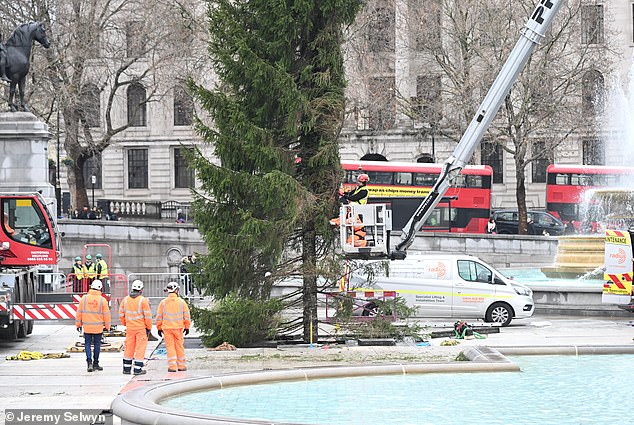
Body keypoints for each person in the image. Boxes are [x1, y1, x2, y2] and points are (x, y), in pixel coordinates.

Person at [75, 280, 111, 372]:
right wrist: (107, 327)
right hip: (98, 328)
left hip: (87, 327)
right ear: (100, 288)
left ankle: (89, 363)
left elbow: (79, 313)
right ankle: (96, 364)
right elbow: (106, 315)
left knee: (87, 344)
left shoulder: (84, 298)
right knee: (97, 345)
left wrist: (78, 324)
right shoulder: (102, 300)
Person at [119, 279, 152, 375]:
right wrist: (148, 327)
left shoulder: (125, 300)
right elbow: (148, 316)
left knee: (129, 348)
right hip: (140, 329)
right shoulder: (143, 301)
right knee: (140, 348)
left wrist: (125, 323)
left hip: (130, 328)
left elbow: (121, 314)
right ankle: (137, 369)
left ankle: (126, 369)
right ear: (141, 290)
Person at [156, 282, 191, 372]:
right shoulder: (181, 302)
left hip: (167, 329)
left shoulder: (163, 303)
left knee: (170, 347)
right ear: (176, 290)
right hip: (178, 328)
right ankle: (181, 366)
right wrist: (187, 327)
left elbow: (159, 317)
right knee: (179, 346)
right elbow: (186, 315)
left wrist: (159, 328)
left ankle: (172, 367)